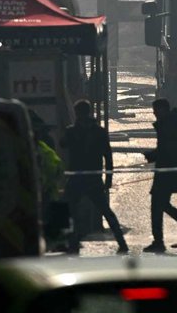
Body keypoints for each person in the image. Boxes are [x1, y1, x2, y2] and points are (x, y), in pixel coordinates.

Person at [63, 98, 128, 252]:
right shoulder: (99, 132)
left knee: (68, 210)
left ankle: (71, 243)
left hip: (77, 178)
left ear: (77, 113)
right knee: (106, 211)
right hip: (94, 178)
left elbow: (62, 143)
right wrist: (109, 177)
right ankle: (122, 242)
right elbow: (108, 155)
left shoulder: (72, 131)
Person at [144, 98, 177, 252]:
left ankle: (160, 240)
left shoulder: (167, 126)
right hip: (168, 170)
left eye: (156, 110)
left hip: (167, 171)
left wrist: (152, 155)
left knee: (158, 205)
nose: (154, 113)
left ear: (163, 110)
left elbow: (168, 149)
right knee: (162, 205)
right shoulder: (168, 124)